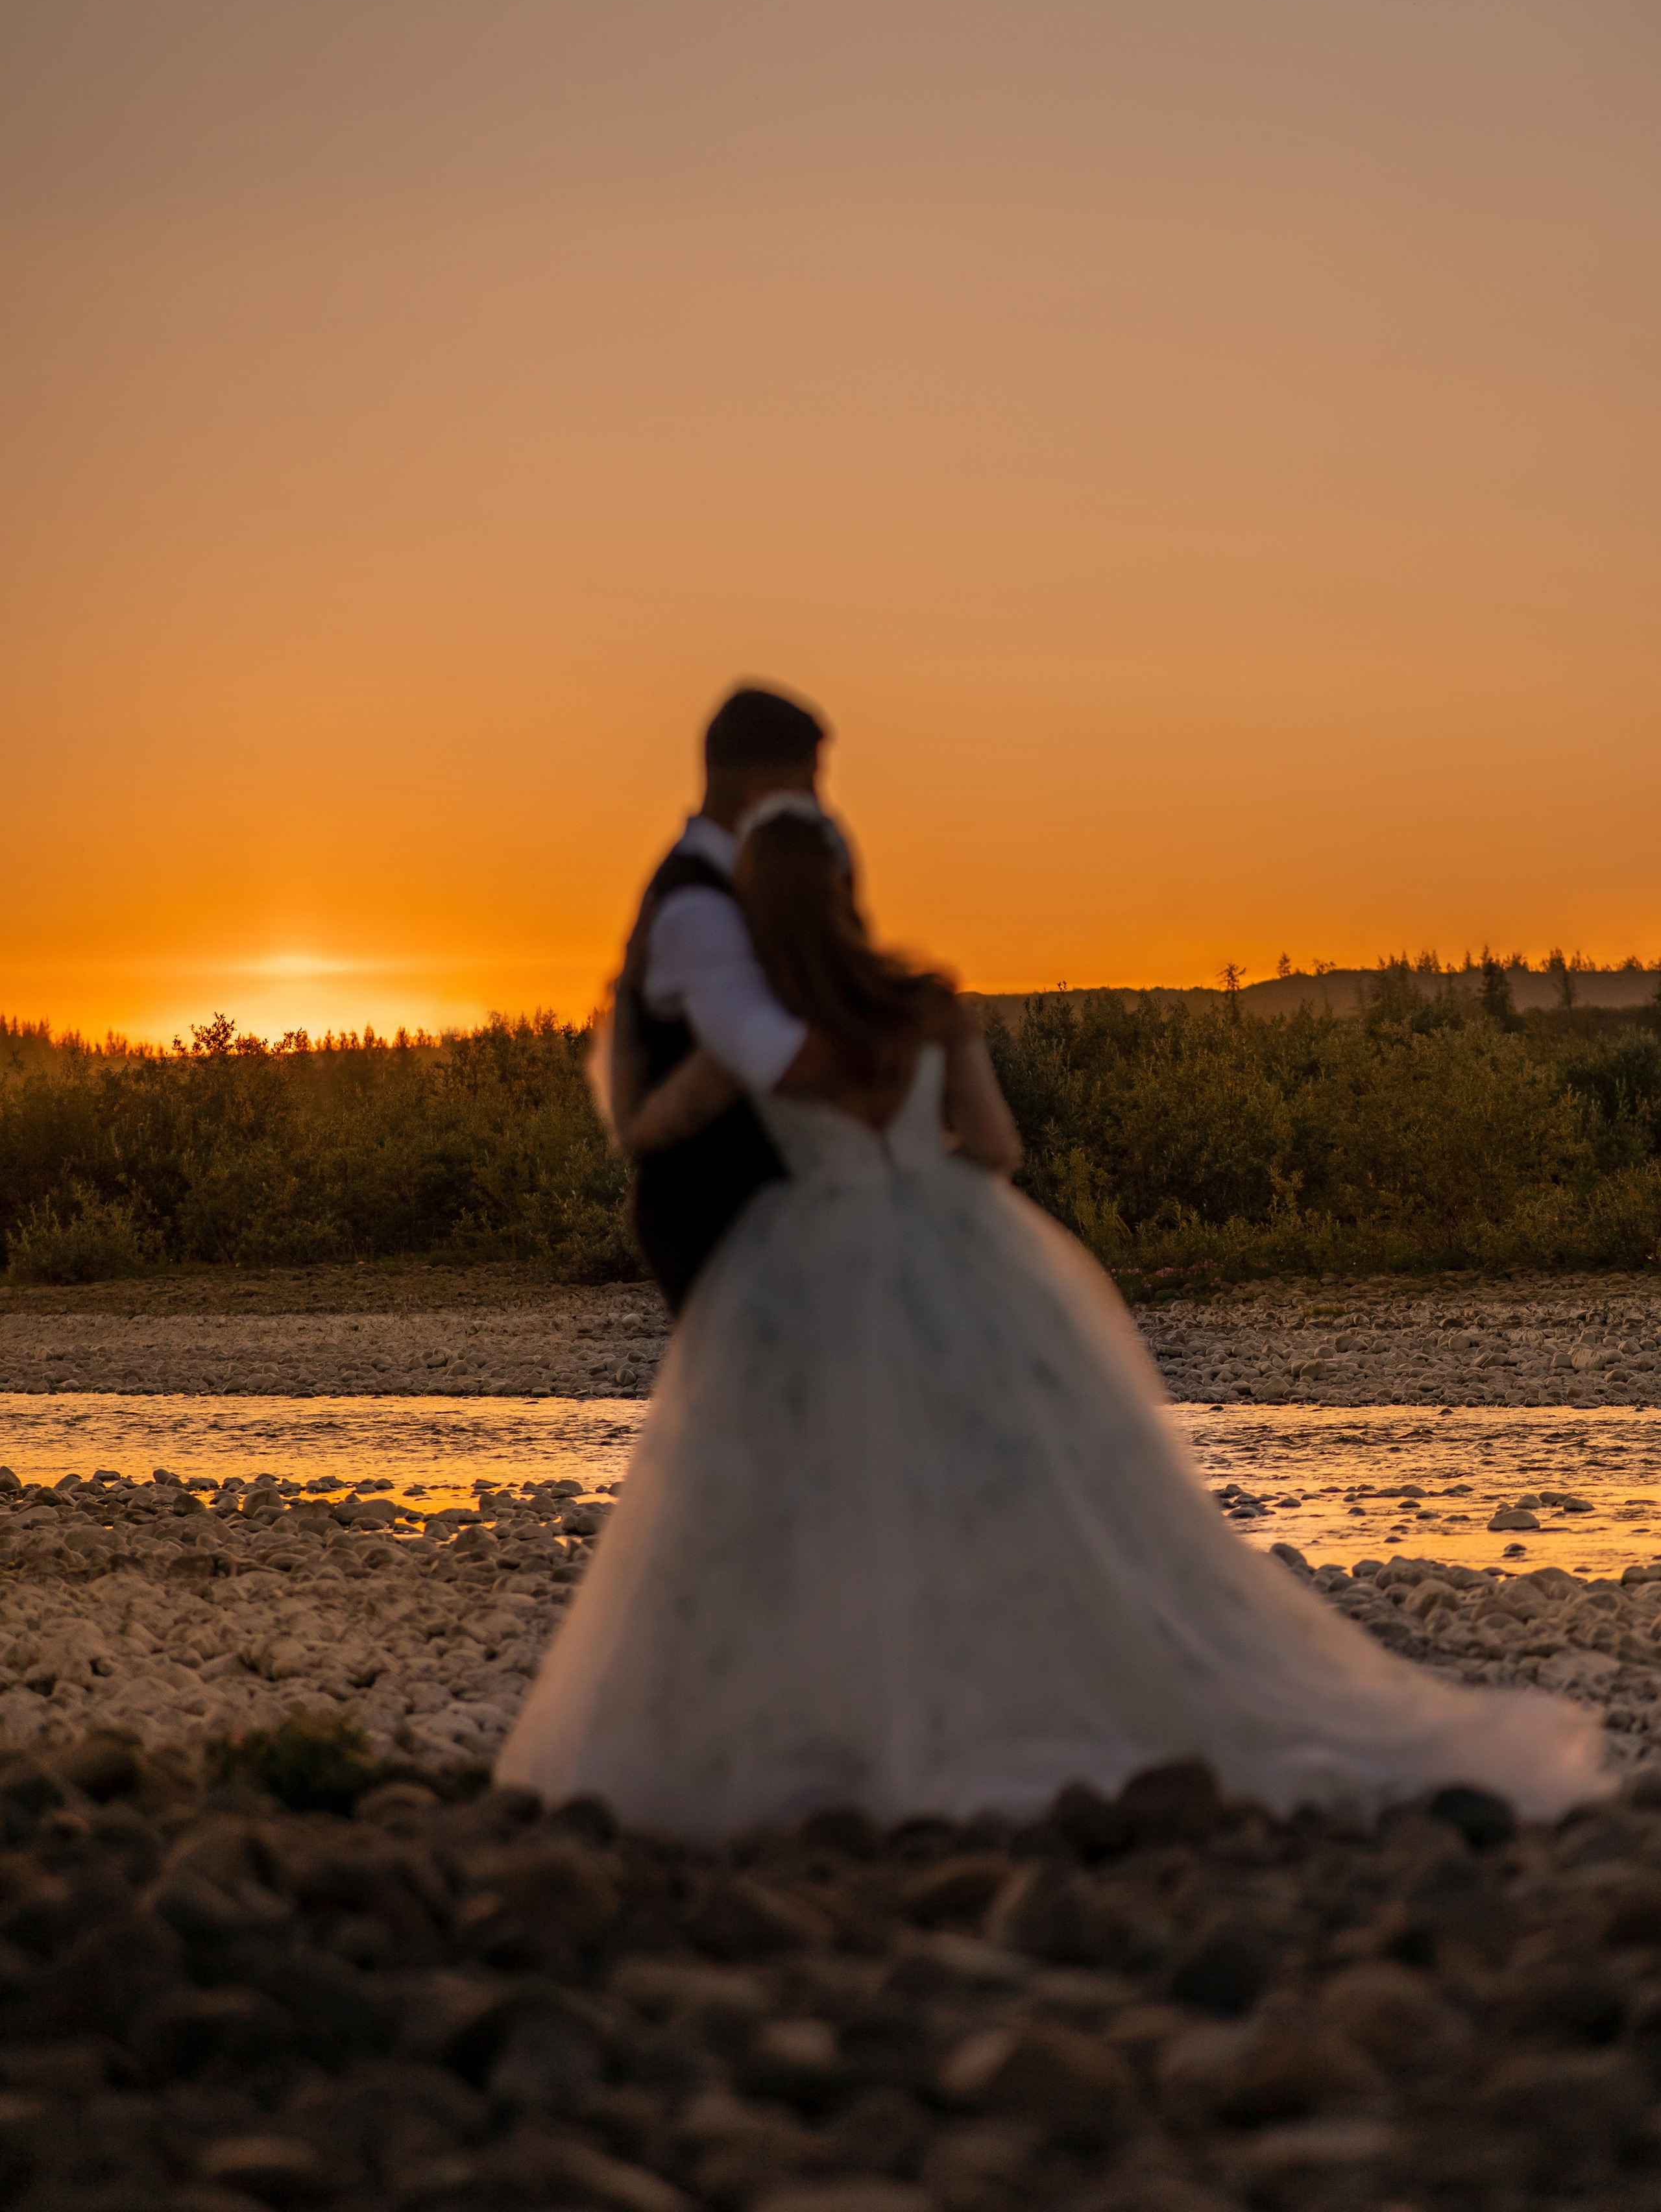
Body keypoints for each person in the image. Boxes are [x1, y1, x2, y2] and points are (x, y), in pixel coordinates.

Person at [500, 802, 1608, 1836]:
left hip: (806, 1257)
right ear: (849, 890)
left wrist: (628, 1033)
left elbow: (649, 1127)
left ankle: (855, 1711)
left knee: (829, 1481)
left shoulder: (757, 1039)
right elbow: (996, 1149)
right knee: (1007, 1476)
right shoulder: (928, 1006)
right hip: (955, 1247)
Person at [609, 684, 828, 1314]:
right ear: (761, 792)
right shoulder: (697, 910)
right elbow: (767, 1055)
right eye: (809, 785)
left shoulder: (745, 885)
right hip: (716, 1211)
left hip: (763, 1206)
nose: (820, 806)